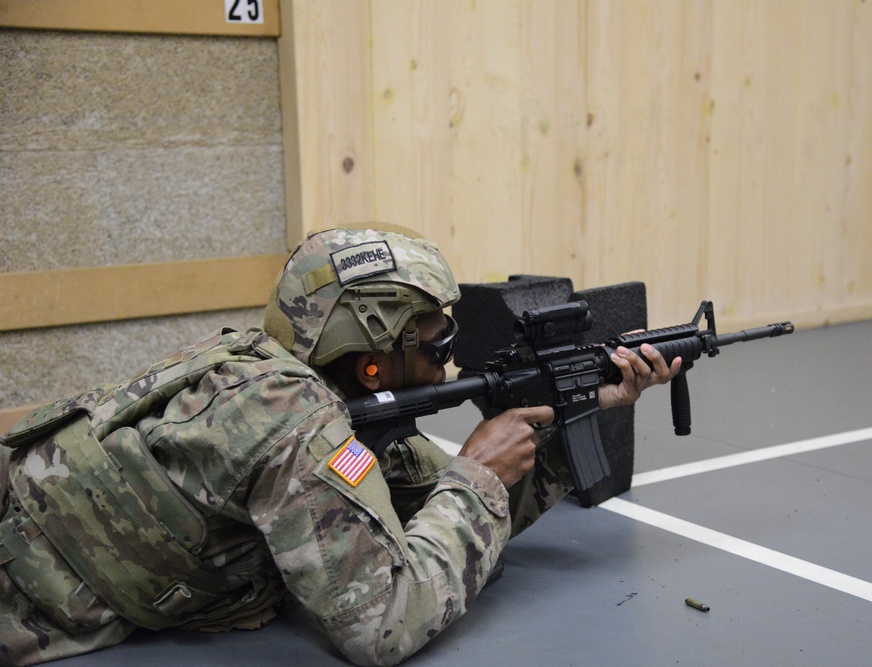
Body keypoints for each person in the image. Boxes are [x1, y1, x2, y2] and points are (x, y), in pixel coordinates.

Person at [0, 224, 680, 666]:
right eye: (437, 340)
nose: (450, 359)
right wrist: (475, 475)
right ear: (371, 359)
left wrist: (570, 420)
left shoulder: (281, 375)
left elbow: (430, 511)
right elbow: (382, 623)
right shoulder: (297, 430)